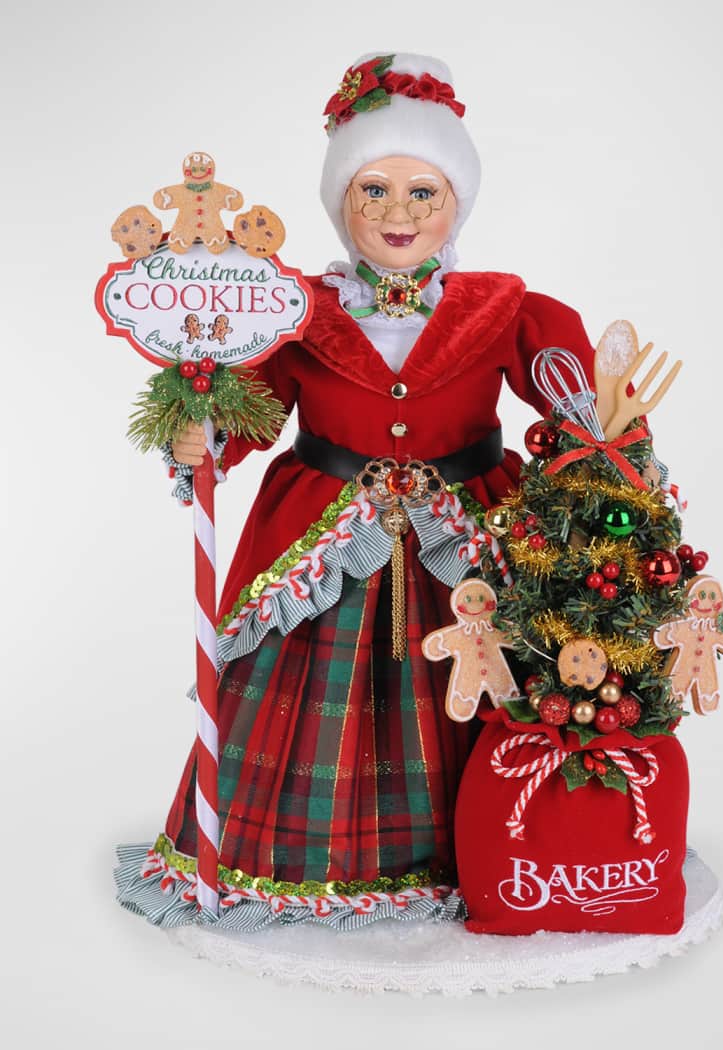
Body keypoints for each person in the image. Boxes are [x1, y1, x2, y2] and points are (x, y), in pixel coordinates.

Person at [115, 52, 596, 930]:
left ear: (457, 203)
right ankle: (297, 858)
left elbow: (583, 416)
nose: (398, 214)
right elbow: (252, 412)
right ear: (340, 201)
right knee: (312, 690)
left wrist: (600, 459)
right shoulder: (296, 310)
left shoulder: (504, 308)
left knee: (484, 675)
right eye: (373, 190)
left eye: (423, 192)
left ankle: (496, 848)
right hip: (329, 536)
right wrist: (207, 438)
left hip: (469, 533)